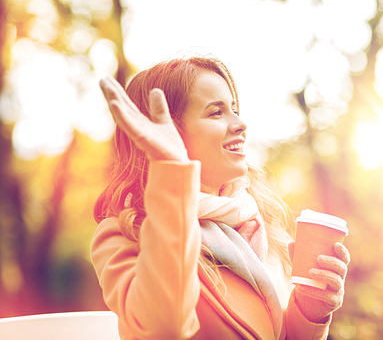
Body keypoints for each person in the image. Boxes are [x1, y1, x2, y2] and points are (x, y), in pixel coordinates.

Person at [91, 52, 350, 340]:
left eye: (234, 109)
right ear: (169, 132)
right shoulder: (126, 233)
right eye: (216, 112)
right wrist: (172, 170)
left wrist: (310, 308)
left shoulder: (256, 222)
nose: (240, 124)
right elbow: (163, 328)